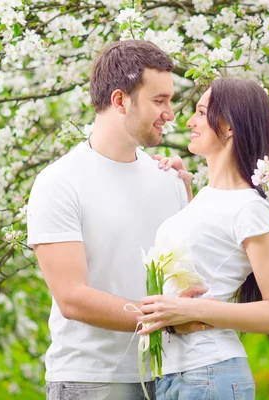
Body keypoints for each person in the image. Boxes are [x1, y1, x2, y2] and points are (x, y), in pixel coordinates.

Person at [27, 40, 204, 400]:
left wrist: (190, 199)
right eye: (159, 101)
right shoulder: (59, 182)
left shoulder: (169, 180)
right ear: (121, 101)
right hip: (92, 379)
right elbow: (72, 298)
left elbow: (189, 274)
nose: (170, 113)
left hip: (171, 377)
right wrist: (167, 316)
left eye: (170, 100)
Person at [138, 79, 269, 400]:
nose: (189, 122)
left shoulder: (249, 207)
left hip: (210, 373)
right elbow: (205, 258)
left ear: (228, 126)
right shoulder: (208, 197)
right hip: (174, 375)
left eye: (200, 113)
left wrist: (189, 311)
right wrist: (183, 187)